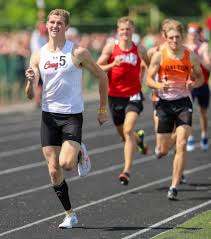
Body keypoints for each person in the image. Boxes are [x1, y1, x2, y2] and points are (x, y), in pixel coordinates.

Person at [25, 9, 108, 229]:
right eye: (51, 22)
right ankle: (70, 214)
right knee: (54, 170)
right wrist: (29, 81)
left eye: (59, 23)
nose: (54, 26)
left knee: (66, 164)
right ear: (46, 24)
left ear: (66, 27)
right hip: (48, 116)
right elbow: (30, 95)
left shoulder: (78, 52)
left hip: (71, 115)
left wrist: (102, 108)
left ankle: (79, 150)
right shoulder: (38, 54)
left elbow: (101, 75)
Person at [146, 19, 204, 200]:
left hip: (183, 103)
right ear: (165, 37)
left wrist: (193, 83)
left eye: (177, 37)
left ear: (182, 37)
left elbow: (201, 78)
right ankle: (161, 149)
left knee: (181, 144)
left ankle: (174, 186)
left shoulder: (190, 55)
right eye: (170, 37)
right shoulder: (159, 55)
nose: (174, 41)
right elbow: (148, 80)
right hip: (164, 104)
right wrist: (158, 85)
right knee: (163, 149)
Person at [97, 16, 150, 186]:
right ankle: (139, 139)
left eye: (128, 29)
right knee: (123, 135)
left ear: (132, 30)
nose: (125, 32)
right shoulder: (111, 47)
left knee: (127, 131)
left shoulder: (139, 49)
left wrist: (149, 81)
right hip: (115, 96)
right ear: (118, 31)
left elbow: (151, 64)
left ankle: (126, 171)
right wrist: (113, 65)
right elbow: (97, 67)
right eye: (122, 29)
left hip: (134, 95)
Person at [185, 22, 211, 151]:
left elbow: (208, 67)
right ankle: (189, 138)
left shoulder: (204, 47)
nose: (192, 36)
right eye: (190, 34)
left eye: (194, 33)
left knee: (203, 112)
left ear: (198, 34)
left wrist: (199, 58)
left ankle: (204, 135)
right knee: (188, 111)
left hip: (203, 84)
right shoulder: (184, 47)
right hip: (190, 84)